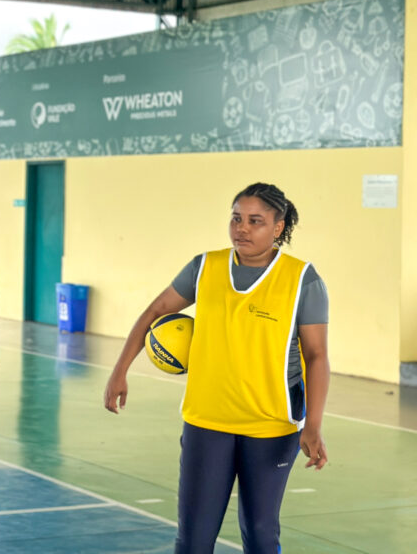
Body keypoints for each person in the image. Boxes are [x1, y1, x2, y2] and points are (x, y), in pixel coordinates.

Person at [104, 182, 330, 554]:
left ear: (278, 227)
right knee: (193, 539)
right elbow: (156, 311)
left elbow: (317, 356)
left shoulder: (303, 280)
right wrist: (120, 370)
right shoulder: (205, 267)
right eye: (236, 218)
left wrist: (315, 425)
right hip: (206, 423)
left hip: (271, 426)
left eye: (255, 221)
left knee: (260, 534)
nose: (242, 228)